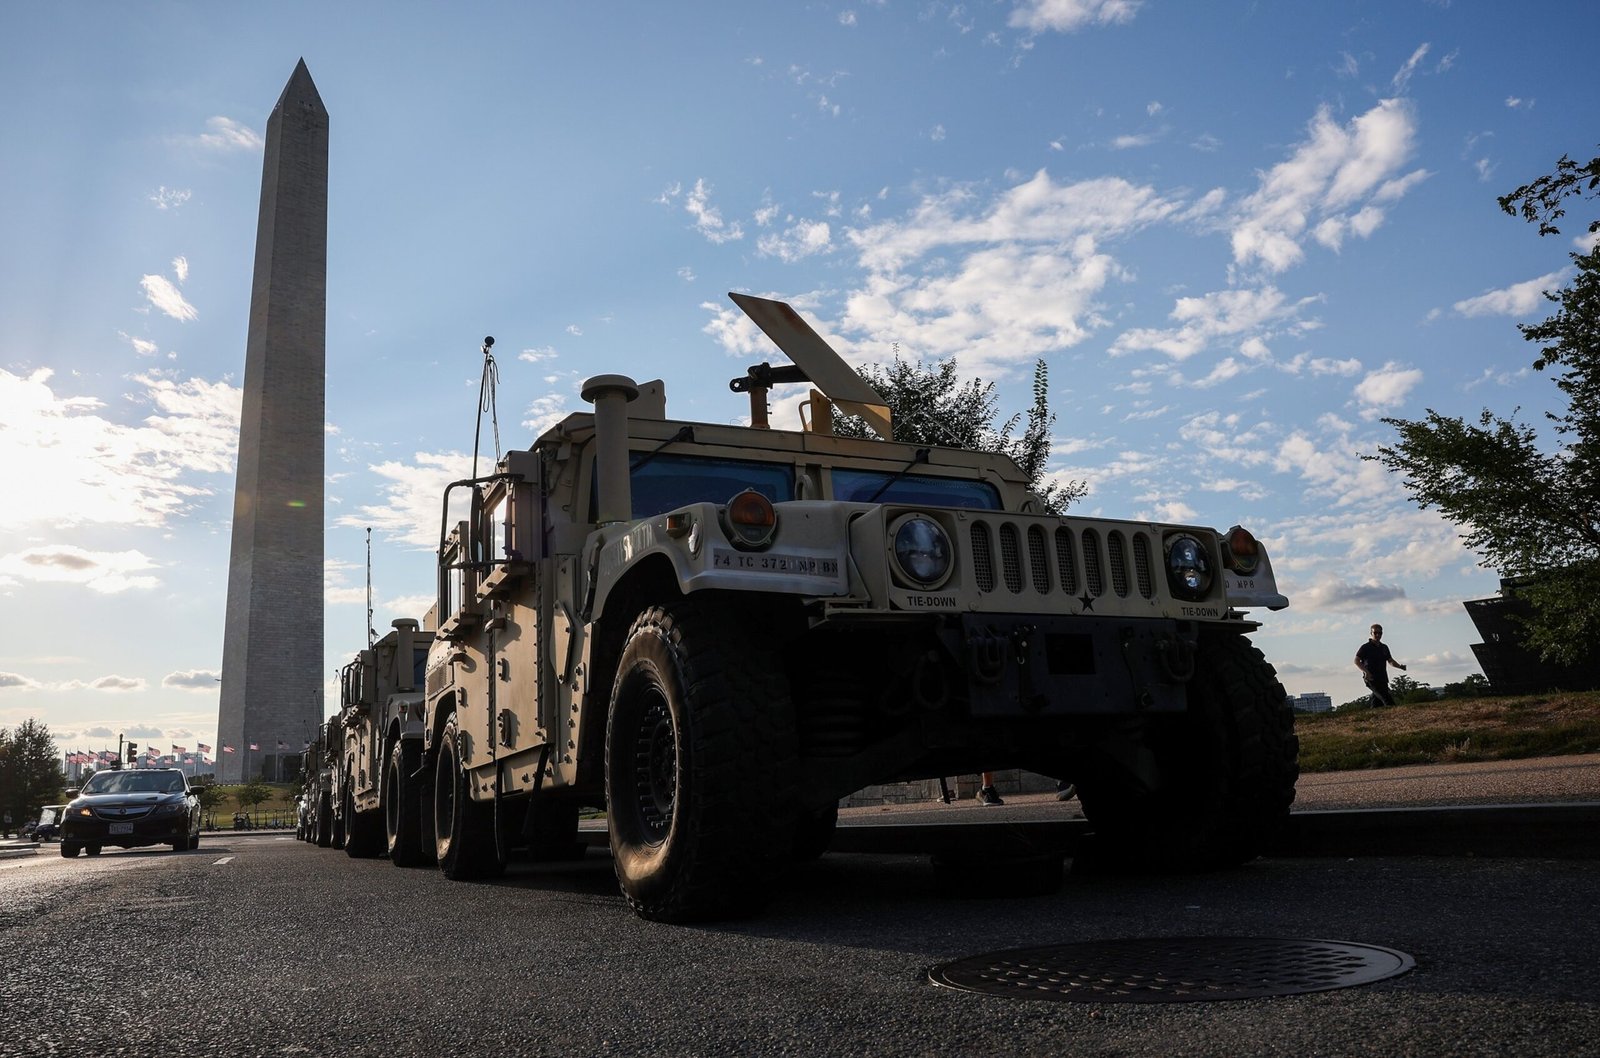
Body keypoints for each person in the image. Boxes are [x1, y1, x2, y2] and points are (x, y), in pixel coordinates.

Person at [1354, 623, 1407, 708]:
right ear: (1371, 633)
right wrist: (1366, 672)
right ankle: (1394, 716)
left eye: (1380, 633)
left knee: (1377, 703)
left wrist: (1400, 666)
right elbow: (1356, 661)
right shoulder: (1365, 647)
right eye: (1375, 633)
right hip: (1371, 678)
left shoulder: (1384, 647)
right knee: (1387, 700)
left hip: (1383, 678)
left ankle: (1371, 718)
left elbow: (1390, 660)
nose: (1378, 635)